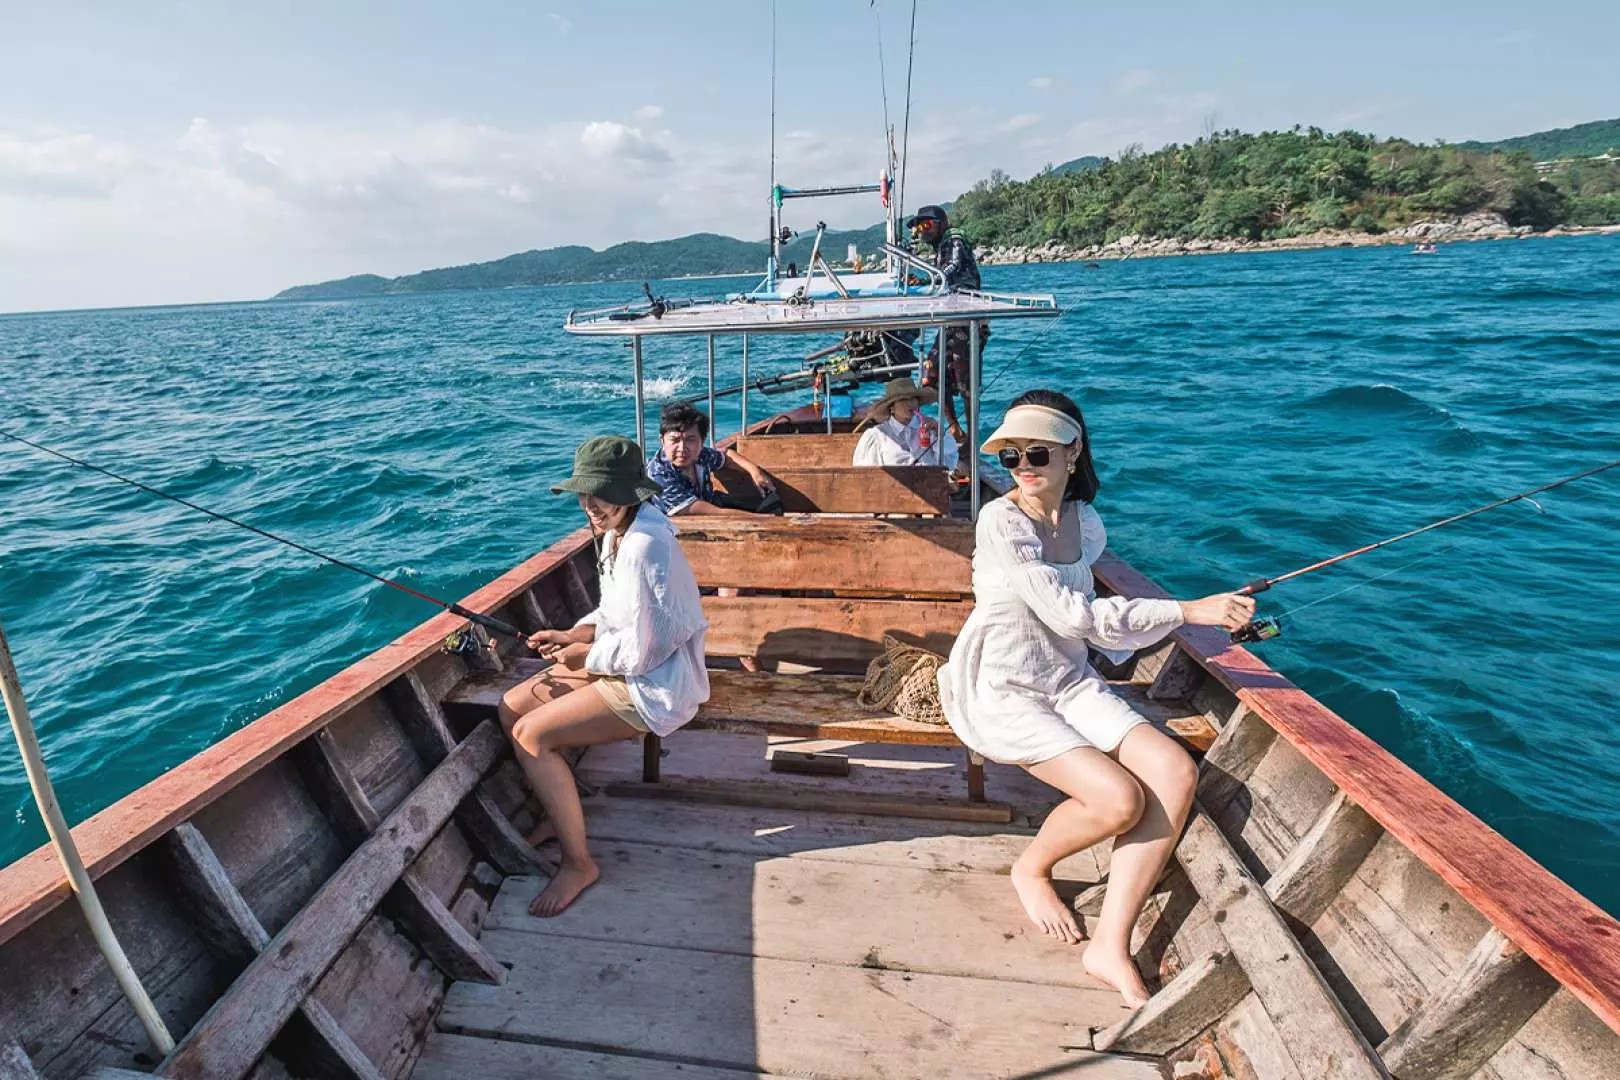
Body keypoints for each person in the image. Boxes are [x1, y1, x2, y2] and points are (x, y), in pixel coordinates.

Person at [936, 390, 1256, 1006]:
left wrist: (1193, 615)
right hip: (1005, 685)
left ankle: (1109, 943)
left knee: (1174, 772)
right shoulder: (1001, 520)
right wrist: (1190, 610)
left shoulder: (1087, 523)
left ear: (1073, 450)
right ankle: (1031, 868)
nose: (1023, 466)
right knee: (1118, 800)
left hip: (1068, 679)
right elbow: (1070, 611)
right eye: (1010, 456)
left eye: (1037, 453)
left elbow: (1084, 626)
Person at [497, 436, 709, 917]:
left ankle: (578, 863)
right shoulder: (621, 531)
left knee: (531, 736)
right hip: (627, 666)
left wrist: (584, 658)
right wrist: (574, 633)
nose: (591, 505)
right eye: (585, 494)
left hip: (657, 685)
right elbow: (617, 612)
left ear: (631, 491)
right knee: (512, 707)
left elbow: (645, 649)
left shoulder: (645, 547)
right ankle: (562, 810)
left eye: (602, 493)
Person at [905, 204, 989, 450]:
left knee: (966, 382)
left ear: (940, 223)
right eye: (920, 227)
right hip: (952, 319)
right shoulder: (939, 246)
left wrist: (929, 279)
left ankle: (972, 439)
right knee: (932, 372)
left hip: (967, 318)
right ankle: (955, 428)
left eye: (926, 225)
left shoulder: (954, 239)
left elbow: (951, 268)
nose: (922, 231)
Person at [647, 401, 777, 516]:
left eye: (690, 440)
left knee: (770, 503)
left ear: (702, 441)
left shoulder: (701, 455)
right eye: (674, 440)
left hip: (710, 506)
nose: (682, 448)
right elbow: (713, 513)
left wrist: (754, 471)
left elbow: (727, 456)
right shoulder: (659, 475)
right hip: (680, 530)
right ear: (662, 440)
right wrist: (765, 520)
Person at [852, 377, 959, 472]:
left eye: (913, 398)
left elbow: (950, 464)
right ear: (892, 407)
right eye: (903, 399)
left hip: (931, 489)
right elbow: (867, 475)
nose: (910, 403)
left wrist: (940, 435)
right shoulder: (878, 435)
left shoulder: (931, 427)